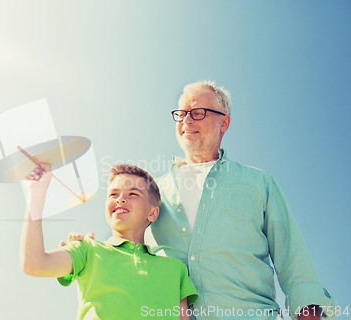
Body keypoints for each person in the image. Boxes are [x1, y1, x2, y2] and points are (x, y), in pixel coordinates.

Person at [65, 81, 337, 320]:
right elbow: (127, 246)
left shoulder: (259, 183)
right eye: (181, 114)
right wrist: (88, 249)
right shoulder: (152, 191)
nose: (186, 121)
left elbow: (293, 261)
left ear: (224, 122)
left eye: (197, 113)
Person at [20, 163, 199, 319]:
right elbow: (34, 263)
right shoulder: (87, 249)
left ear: (152, 213)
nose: (120, 198)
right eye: (113, 194)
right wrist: (36, 194)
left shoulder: (176, 270)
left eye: (133, 194)